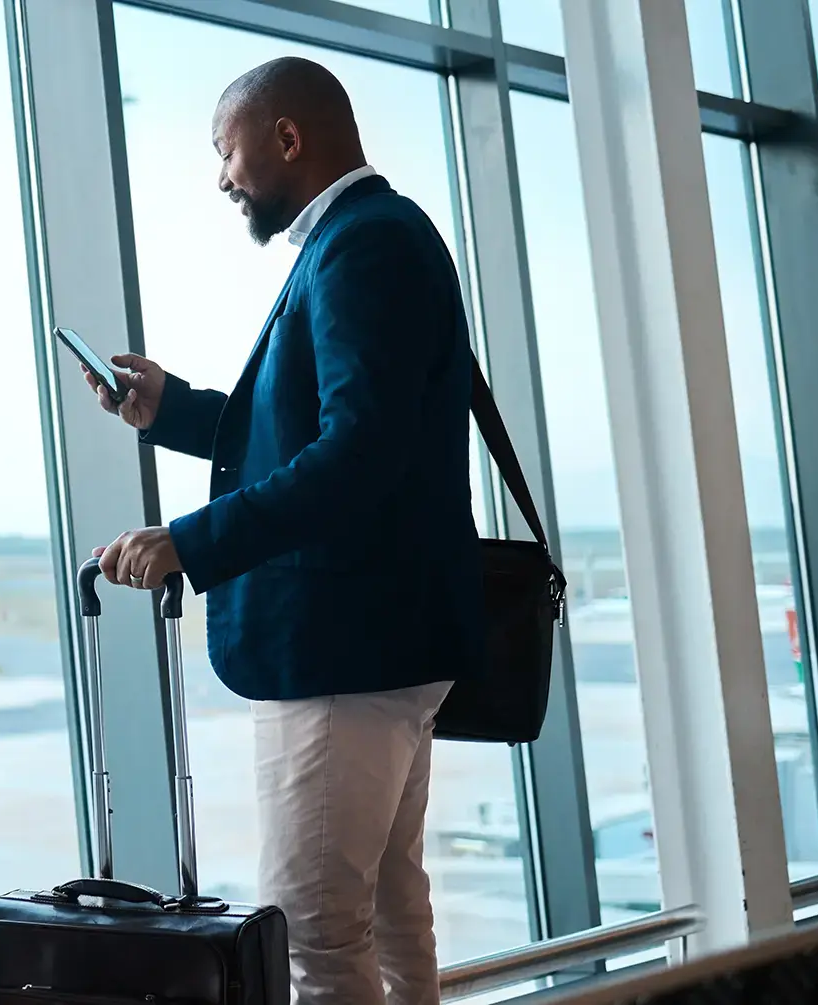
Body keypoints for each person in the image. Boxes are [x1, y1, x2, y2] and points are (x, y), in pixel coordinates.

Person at [84, 57, 484, 1005]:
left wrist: (192, 540)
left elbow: (358, 454)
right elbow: (304, 432)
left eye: (227, 150)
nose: (222, 177)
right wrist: (171, 411)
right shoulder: (364, 239)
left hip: (344, 652)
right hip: (379, 644)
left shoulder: (364, 246)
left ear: (287, 138)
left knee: (316, 937)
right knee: (388, 918)